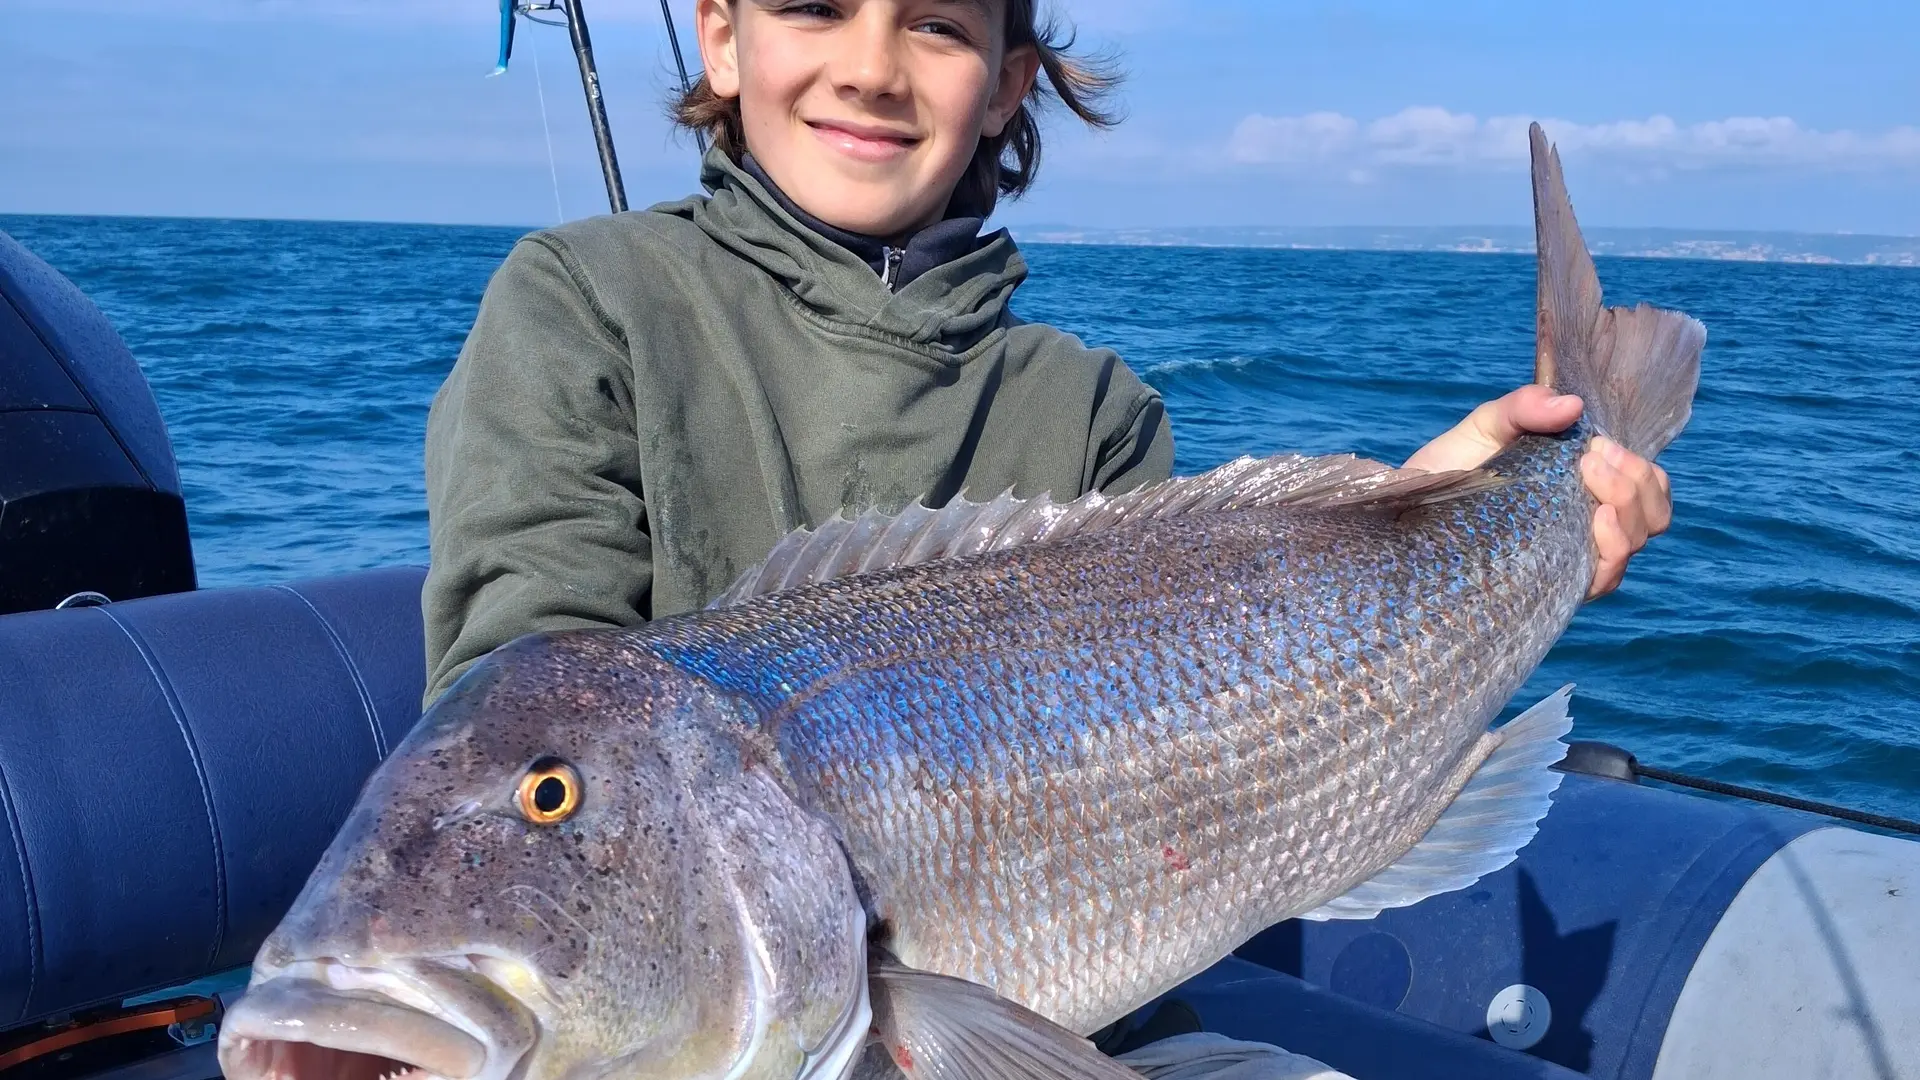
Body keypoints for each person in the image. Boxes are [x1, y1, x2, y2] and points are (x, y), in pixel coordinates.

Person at [420, 0, 1671, 707]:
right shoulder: (586, 300)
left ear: (1010, 82)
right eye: (813, 8)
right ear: (723, 37)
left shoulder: (1092, 412)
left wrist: (1446, 510)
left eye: (934, 27)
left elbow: (1198, 696)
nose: (868, 69)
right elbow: (524, 710)